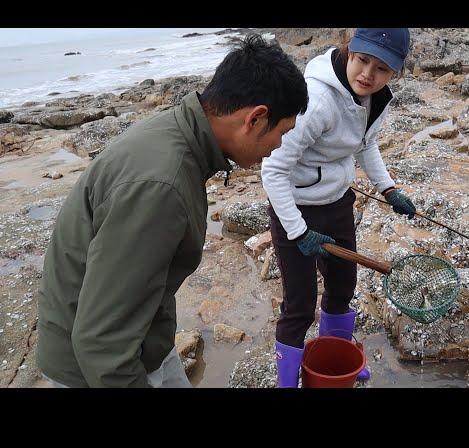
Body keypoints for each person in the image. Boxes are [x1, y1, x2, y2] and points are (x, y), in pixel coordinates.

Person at [36, 34, 308, 388]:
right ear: (255, 119)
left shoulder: (181, 133)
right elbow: (102, 344)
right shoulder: (160, 187)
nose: (279, 147)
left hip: (144, 340)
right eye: (283, 132)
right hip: (94, 370)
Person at [261, 28, 417, 388]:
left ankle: (339, 353)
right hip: (294, 210)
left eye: (381, 68)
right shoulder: (316, 100)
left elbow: (367, 144)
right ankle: (287, 383)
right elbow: (273, 169)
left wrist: (389, 189)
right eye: (363, 60)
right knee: (299, 305)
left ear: (395, 71)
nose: (368, 74)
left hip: (337, 204)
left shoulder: (374, 98)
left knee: (343, 286)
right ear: (350, 50)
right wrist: (297, 231)